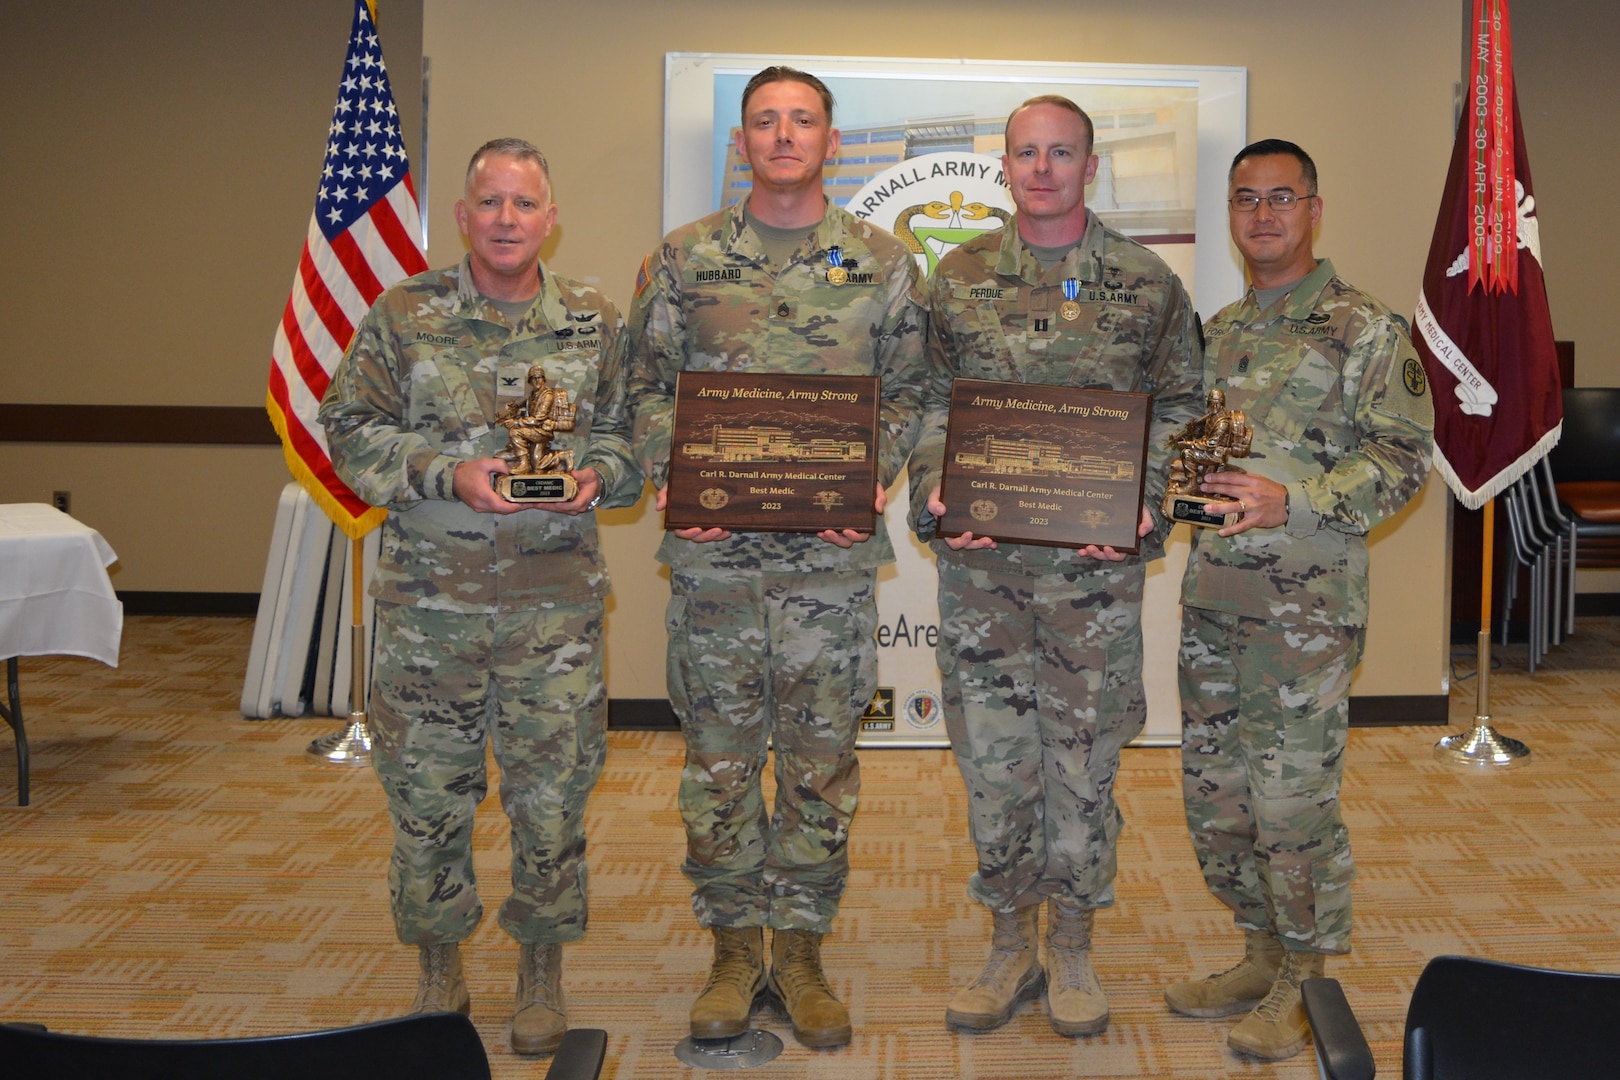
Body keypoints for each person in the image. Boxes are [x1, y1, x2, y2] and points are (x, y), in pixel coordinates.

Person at [318, 138, 641, 1057]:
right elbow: (349, 429)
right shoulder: (406, 315)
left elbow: (628, 439)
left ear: (551, 218)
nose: (507, 220)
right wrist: (447, 471)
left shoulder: (590, 319)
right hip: (431, 613)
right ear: (463, 217)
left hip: (555, 615)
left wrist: (597, 476)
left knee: (552, 798)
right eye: (490, 203)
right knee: (428, 797)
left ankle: (540, 965)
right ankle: (438, 961)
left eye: (524, 204)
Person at [628, 66, 926, 1050]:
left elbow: (915, 394)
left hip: (827, 563)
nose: (784, 136)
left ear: (831, 141)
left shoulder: (883, 264)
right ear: (743, 141)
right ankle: (729, 947)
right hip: (714, 559)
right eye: (766, 121)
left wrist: (871, 481)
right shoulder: (682, 259)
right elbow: (642, 389)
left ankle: (797, 949)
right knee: (717, 760)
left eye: (803, 121)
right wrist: (670, 477)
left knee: (819, 761)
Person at [907, 95, 1203, 1038]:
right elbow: (922, 402)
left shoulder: (1146, 281)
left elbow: (1186, 405)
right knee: (994, 768)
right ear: (1004, 166)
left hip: (1091, 580)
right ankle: (1007, 944)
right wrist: (934, 492)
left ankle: (1071, 943)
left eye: (1061, 152)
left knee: (1082, 769)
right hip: (983, 577)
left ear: (1090, 165)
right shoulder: (955, 277)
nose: (1043, 168)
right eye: (1026, 153)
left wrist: (1147, 500)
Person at [1165, 139, 1433, 1060]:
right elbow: (1195, 458)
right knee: (1219, 796)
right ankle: (1259, 949)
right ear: (1232, 214)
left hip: (1305, 614)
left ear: (1315, 209)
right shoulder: (1221, 327)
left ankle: (1309, 979)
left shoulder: (1365, 329)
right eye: (1247, 199)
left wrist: (1299, 499)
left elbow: (1404, 462)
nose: (1264, 215)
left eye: (1283, 198)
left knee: (1292, 805)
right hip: (1214, 601)